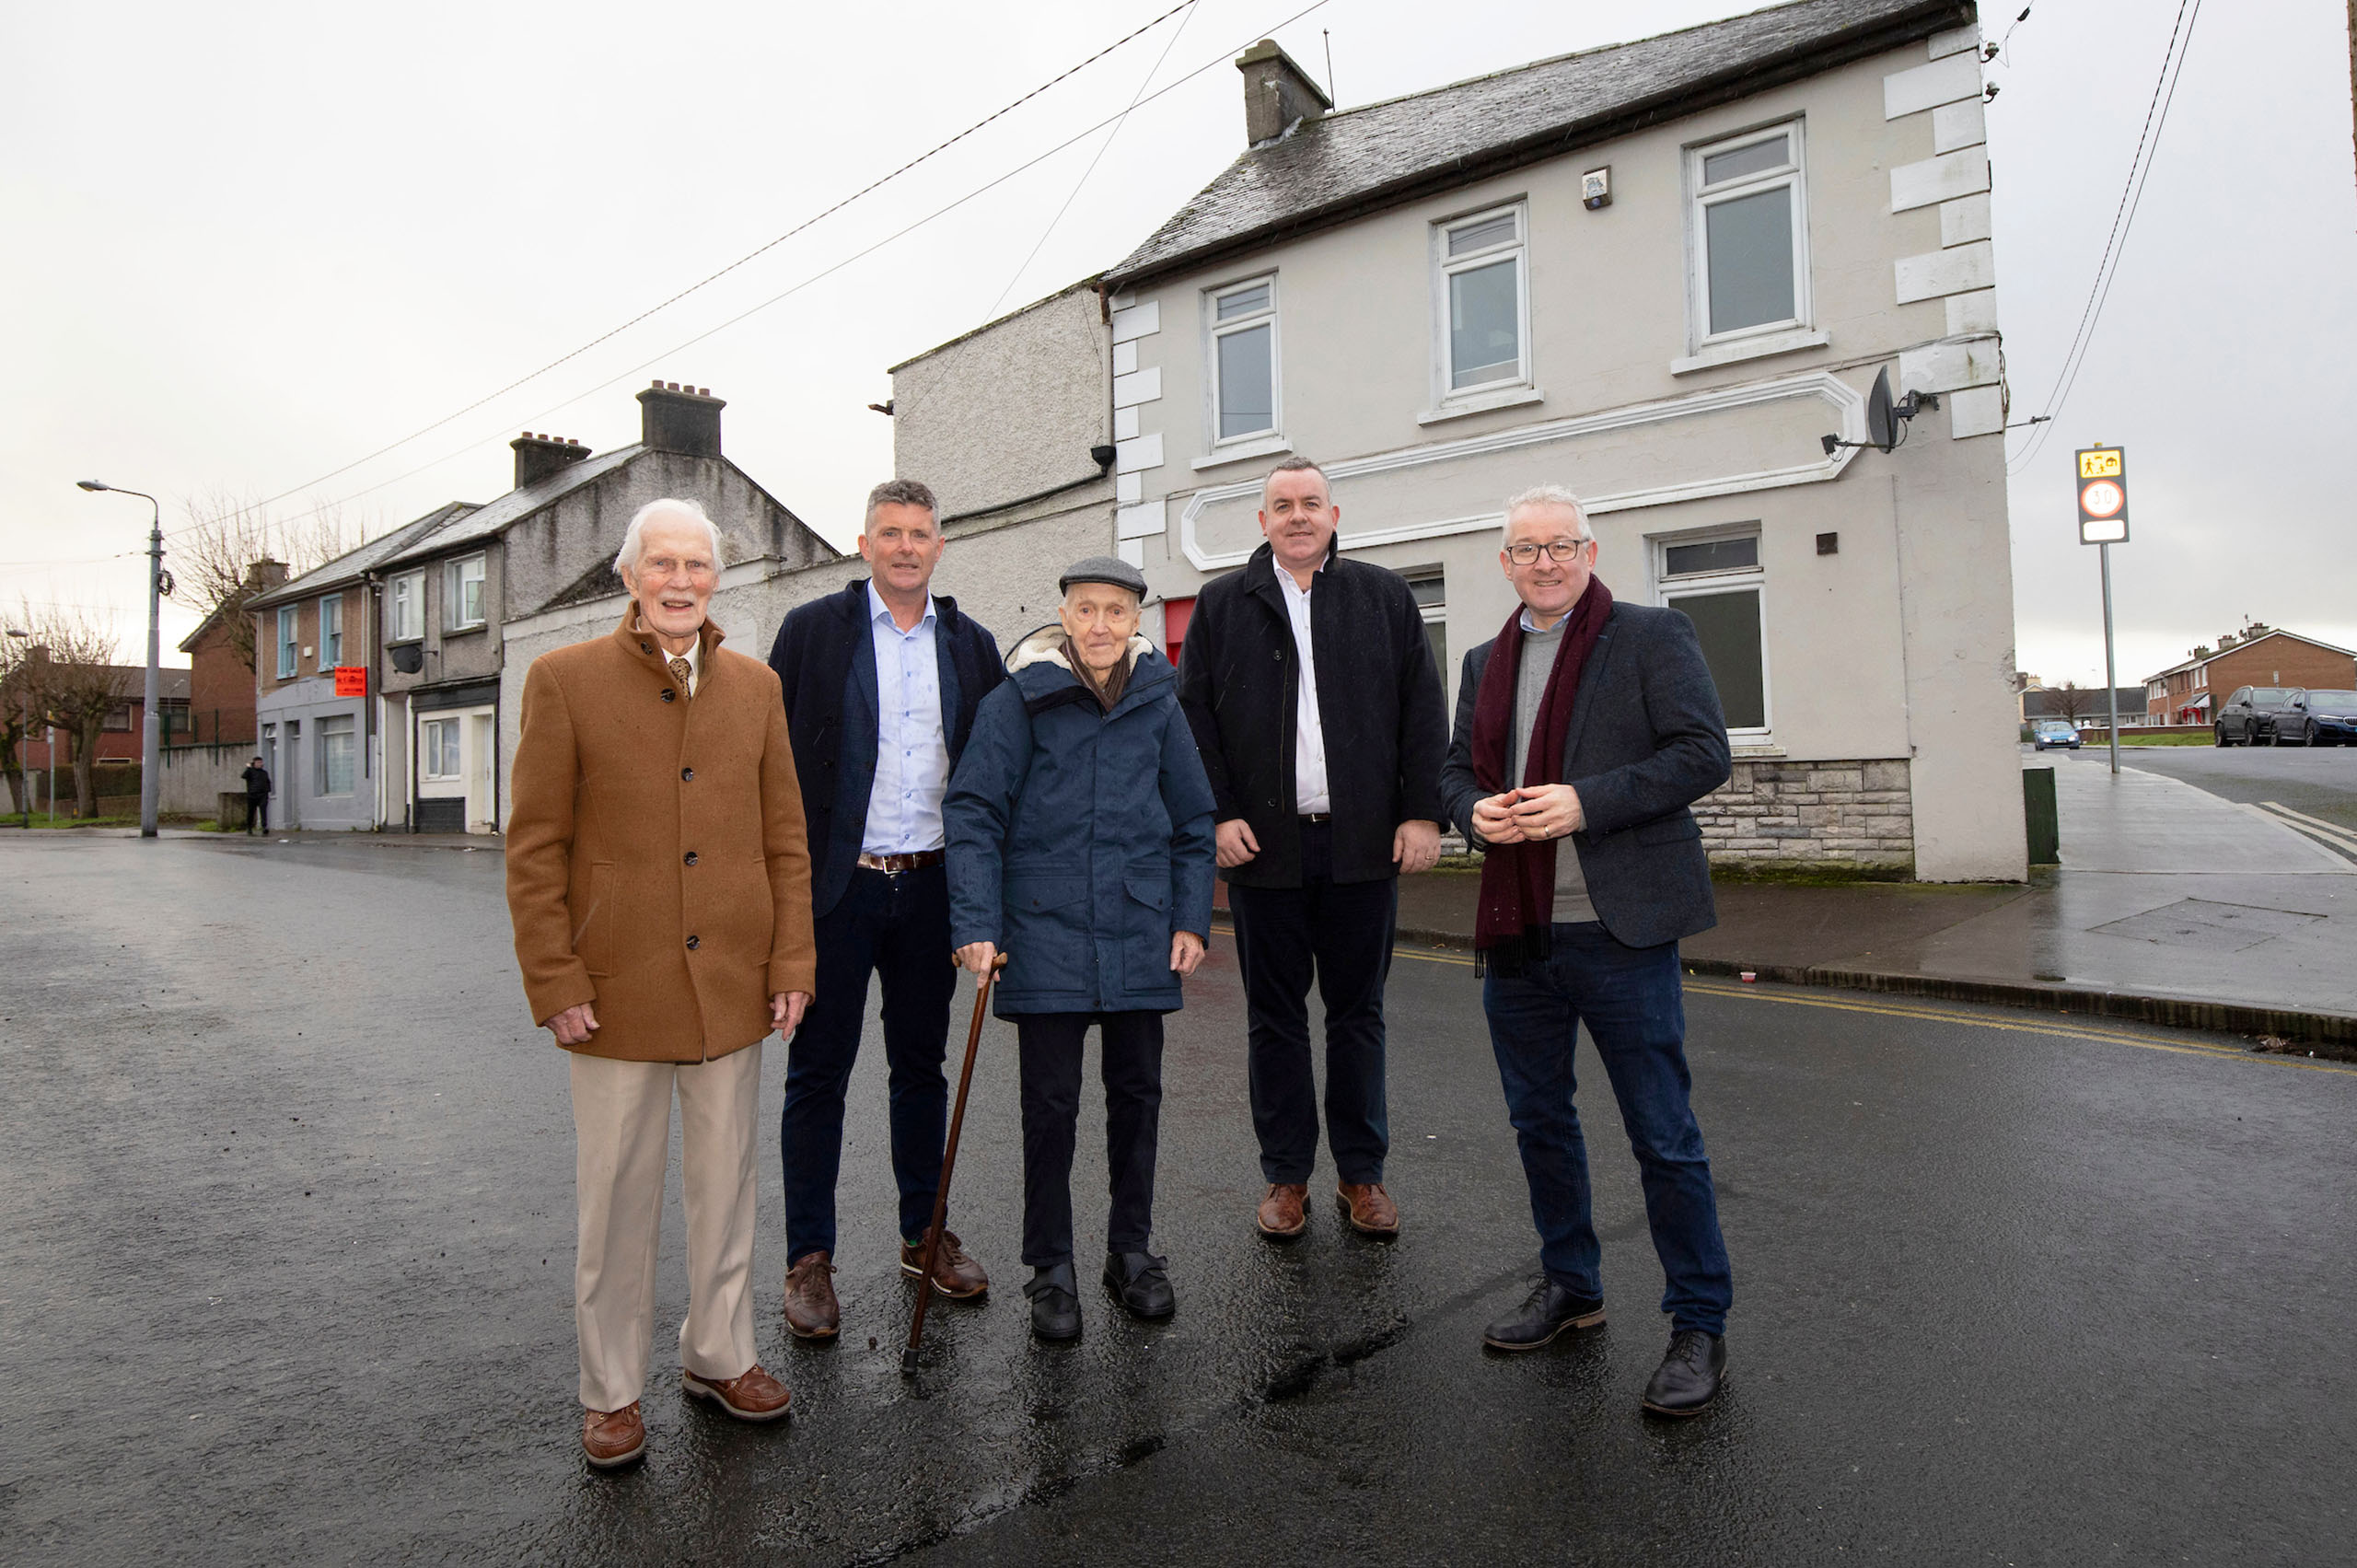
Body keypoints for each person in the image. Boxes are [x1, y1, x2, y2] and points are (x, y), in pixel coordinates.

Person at [506, 497, 815, 1469]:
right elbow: (534, 845)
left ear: (715, 579)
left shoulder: (757, 688)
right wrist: (554, 975)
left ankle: (718, 1354)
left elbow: (785, 842)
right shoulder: (563, 681)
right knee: (617, 1199)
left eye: (697, 565)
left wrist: (791, 962)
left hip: (731, 983)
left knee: (727, 1190)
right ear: (629, 577)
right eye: (662, 564)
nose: (680, 581)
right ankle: (611, 1389)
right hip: (612, 990)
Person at [1436, 484, 1736, 1418]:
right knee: (1540, 1123)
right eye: (1526, 549)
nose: (1544, 562)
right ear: (1505, 563)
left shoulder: (1651, 636)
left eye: (1560, 545)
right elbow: (1453, 768)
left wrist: (1586, 800)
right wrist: (1466, 813)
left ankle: (1697, 1319)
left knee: (1663, 1134)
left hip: (1620, 928)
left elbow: (1702, 752)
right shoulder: (1485, 658)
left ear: (1590, 550)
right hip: (1518, 933)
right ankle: (1572, 1283)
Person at [1175, 458, 1446, 1242]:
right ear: (1261, 522)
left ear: (1335, 513)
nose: (1297, 516)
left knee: (1358, 1015)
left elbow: (1422, 707)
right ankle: (1285, 1177)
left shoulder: (1383, 596)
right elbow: (1194, 723)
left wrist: (1422, 813)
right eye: (1281, 505)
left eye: (1311, 503)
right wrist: (1217, 815)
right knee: (1274, 1019)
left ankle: (1362, 1176)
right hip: (1266, 850)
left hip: (1363, 845)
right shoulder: (1224, 604)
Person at [946, 555, 1215, 1342]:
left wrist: (1191, 919)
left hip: (1137, 929)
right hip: (1043, 929)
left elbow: (1194, 822)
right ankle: (1050, 1266)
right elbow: (971, 812)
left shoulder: (1161, 705)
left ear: (1138, 622)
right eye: (1086, 609)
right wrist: (975, 922)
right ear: (1063, 615)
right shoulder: (1017, 701)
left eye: (1117, 612)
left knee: (1138, 1101)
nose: (1101, 625)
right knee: (1050, 1110)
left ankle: (1130, 1251)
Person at [766, 479, 1004, 1341]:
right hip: (839, 888)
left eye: (921, 533)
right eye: (890, 533)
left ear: (940, 546)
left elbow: (997, 772)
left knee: (920, 1069)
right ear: (863, 544)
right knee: (817, 1073)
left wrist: (991, 895)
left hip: (931, 885)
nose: (906, 547)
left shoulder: (972, 645)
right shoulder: (811, 634)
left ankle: (922, 1234)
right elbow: (773, 766)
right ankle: (809, 1259)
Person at [240, 756, 271, 834]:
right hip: (252, 795)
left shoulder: (264, 773)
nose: (260, 764)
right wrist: (248, 768)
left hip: (262, 795)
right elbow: (243, 776)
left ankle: (264, 827)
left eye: (261, 762)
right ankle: (249, 827)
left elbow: (267, 782)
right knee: (251, 812)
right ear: (254, 763)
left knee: (263, 811)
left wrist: (267, 791)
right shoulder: (250, 772)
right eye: (258, 763)